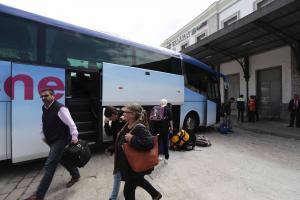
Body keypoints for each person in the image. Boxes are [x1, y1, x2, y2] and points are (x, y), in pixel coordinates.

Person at [26, 88, 80, 200]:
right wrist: (43, 136)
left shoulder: (61, 108)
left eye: (46, 96)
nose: (43, 98)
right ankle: (75, 174)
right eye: (42, 96)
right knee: (62, 158)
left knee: (49, 165)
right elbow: (43, 122)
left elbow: (71, 124)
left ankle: (39, 195)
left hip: (60, 139)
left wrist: (74, 136)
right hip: (51, 139)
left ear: (53, 96)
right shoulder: (45, 108)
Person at [114, 103, 162, 200]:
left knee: (128, 192)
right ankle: (155, 194)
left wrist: (132, 139)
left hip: (134, 166)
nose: (123, 113)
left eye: (126, 112)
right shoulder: (128, 124)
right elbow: (121, 139)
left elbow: (149, 143)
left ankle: (155, 194)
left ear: (132, 114)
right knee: (139, 181)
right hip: (130, 166)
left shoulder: (139, 127)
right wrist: (112, 148)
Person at [104, 106, 125, 200]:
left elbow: (121, 138)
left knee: (117, 172)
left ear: (113, 114)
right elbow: (110, 134)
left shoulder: (122, 120)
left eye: (110, 118)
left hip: (123, 150)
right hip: (118, 149)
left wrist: (112, 148)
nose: (110, 120)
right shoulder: (114, 120)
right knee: (120, 172)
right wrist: (106, 124)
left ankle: (113, 197)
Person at [150, 99, 173, 163]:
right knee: (165, 143)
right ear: (166, 103)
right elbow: (171, 120)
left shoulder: (156, 109)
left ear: (160, 103)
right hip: (165, 129)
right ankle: (166, 158)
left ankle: (157, 157)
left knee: (158, 143)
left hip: (157, 129)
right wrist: (171, 128)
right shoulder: (168, 109)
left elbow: (152, 119)